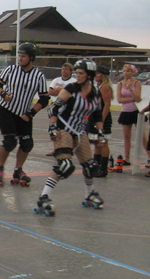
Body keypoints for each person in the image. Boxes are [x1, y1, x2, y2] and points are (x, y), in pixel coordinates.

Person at [36, 59, 106, 216]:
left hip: (80, 131)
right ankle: (43, 197)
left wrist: (100, 134)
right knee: (65, 166)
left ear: (90, 75)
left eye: (81, 73)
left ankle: (89, 193)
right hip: (64, 129)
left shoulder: (95, 93)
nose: (78, 75)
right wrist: (53, 127)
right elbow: (53, 109)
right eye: (77, 73)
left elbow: (97, 115)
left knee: (90, 166)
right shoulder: (71, 89)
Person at [0, 42, 50, 186]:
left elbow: (44, 98)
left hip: (24, 114)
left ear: (31, 58)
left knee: (27, 143)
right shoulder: (11, 70)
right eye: (19, 56)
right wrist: (3, 93)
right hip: (6, 110)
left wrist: (32, 112)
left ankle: (18, 170)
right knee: (10, 142)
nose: (20, 59)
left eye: (23, 56)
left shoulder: (38, 76)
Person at [116, 64, 150, 166]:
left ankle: (149, 156)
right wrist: (131, 99)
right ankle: (127, 158)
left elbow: (138, 98)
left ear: (132, 72)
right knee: (126, 136)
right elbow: (119, 99)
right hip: (125, 112)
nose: (126, 73)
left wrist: (130, 89)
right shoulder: (120, 84)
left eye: (128, 71)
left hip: (136, 111)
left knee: (142, 136)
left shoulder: (137, 83)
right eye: (124, 71)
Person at [46, 62, 77, 156]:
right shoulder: (56, 80)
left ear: (71, 72)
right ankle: (56, 149)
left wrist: (60, 91)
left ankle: (69, 148)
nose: (64, 71)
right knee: (55, 130)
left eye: (66, 69)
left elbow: (72, 95)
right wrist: (62, 92)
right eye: (63, 69)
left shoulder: (73, 82)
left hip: (68, 110)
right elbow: (50, 92)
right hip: (56, 108)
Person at [89, 66, 113, 177]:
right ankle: (97, 166)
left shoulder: (105, 86)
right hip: (96, 116)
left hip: (103, 118)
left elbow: (107, 105)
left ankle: (103, 168)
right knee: (97, 142)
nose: (96, 76)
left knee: (103, 142)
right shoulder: (97, 86)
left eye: (98, 74)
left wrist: (101, 120)